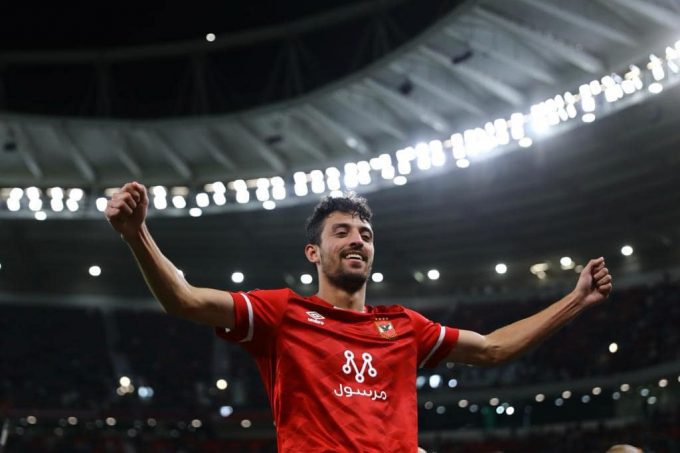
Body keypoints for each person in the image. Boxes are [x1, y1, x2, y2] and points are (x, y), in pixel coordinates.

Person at [105, 182, 613, 452]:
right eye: (342, 232)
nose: (357, 241)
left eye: (365, 235)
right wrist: (137, 235)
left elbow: (493, 348)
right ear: (313, 252)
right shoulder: (283, 312)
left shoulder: (405, 327)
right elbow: (185, 300)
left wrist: (576, 299)